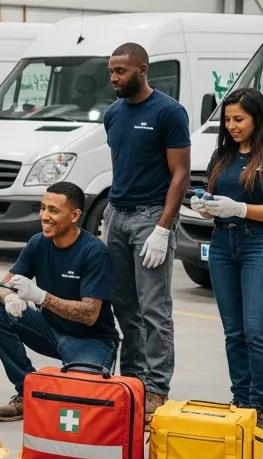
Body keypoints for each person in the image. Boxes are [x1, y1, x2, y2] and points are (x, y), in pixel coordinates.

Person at [191, 88, 263, 435]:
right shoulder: (222, 155)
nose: (232, 126)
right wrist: (205, 207)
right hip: (223, 243)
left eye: (239, 119)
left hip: (260, 245)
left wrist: (240, 208)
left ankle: (261, 406)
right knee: (234, 332)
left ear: (257, 118)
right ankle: (241, 401)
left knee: (256, 331)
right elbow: (214, 199)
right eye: (227, 120)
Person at [103, 42, 191, 424]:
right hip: (117, 216)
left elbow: (181, 173)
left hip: (150, 217)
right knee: (124, 305)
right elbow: (121, 165)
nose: (114, 78)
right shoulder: (112, 114)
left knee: (154, 308)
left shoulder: (168, 112)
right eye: (111, 71)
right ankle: (133, 381)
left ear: (142, 69)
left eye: (120, 71)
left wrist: (162, 228)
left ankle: (157, 388)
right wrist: (111, 216)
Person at [0, 182, 120, 422]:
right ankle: (26, 391)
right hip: (49, 329)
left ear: (75, 215)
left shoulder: (94, 252)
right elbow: (0, 287)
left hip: (90, 340)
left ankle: (75, 378)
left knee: (79, 411)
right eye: (42, 208)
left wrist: (40, 297)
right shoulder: (38, 243)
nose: (44, 216)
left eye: (53, 211)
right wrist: (9, 297)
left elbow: (89, 314)